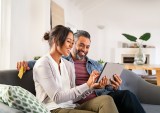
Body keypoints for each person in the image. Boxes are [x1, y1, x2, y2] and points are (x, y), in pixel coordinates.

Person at [17, 30, 146, 113]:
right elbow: (43, 62)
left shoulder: (91, 64)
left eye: (87, 46)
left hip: (93, 97)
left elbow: (103, 85)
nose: (84, 49)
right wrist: (25, 64)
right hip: (68, 103)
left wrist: (113, 85)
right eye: (80, 45)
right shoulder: (56, 61)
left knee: (124, 95)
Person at [31, 25, 118, 113]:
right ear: (56, 40)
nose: (71, 45)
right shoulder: (43, 64)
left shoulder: (68, 65)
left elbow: (74, 97)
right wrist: (87, 85)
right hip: (53, 109)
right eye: (69, 41)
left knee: (106, 100)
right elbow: (57, 97)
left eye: (72, 42)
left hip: (71, 106)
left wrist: (91, 87)